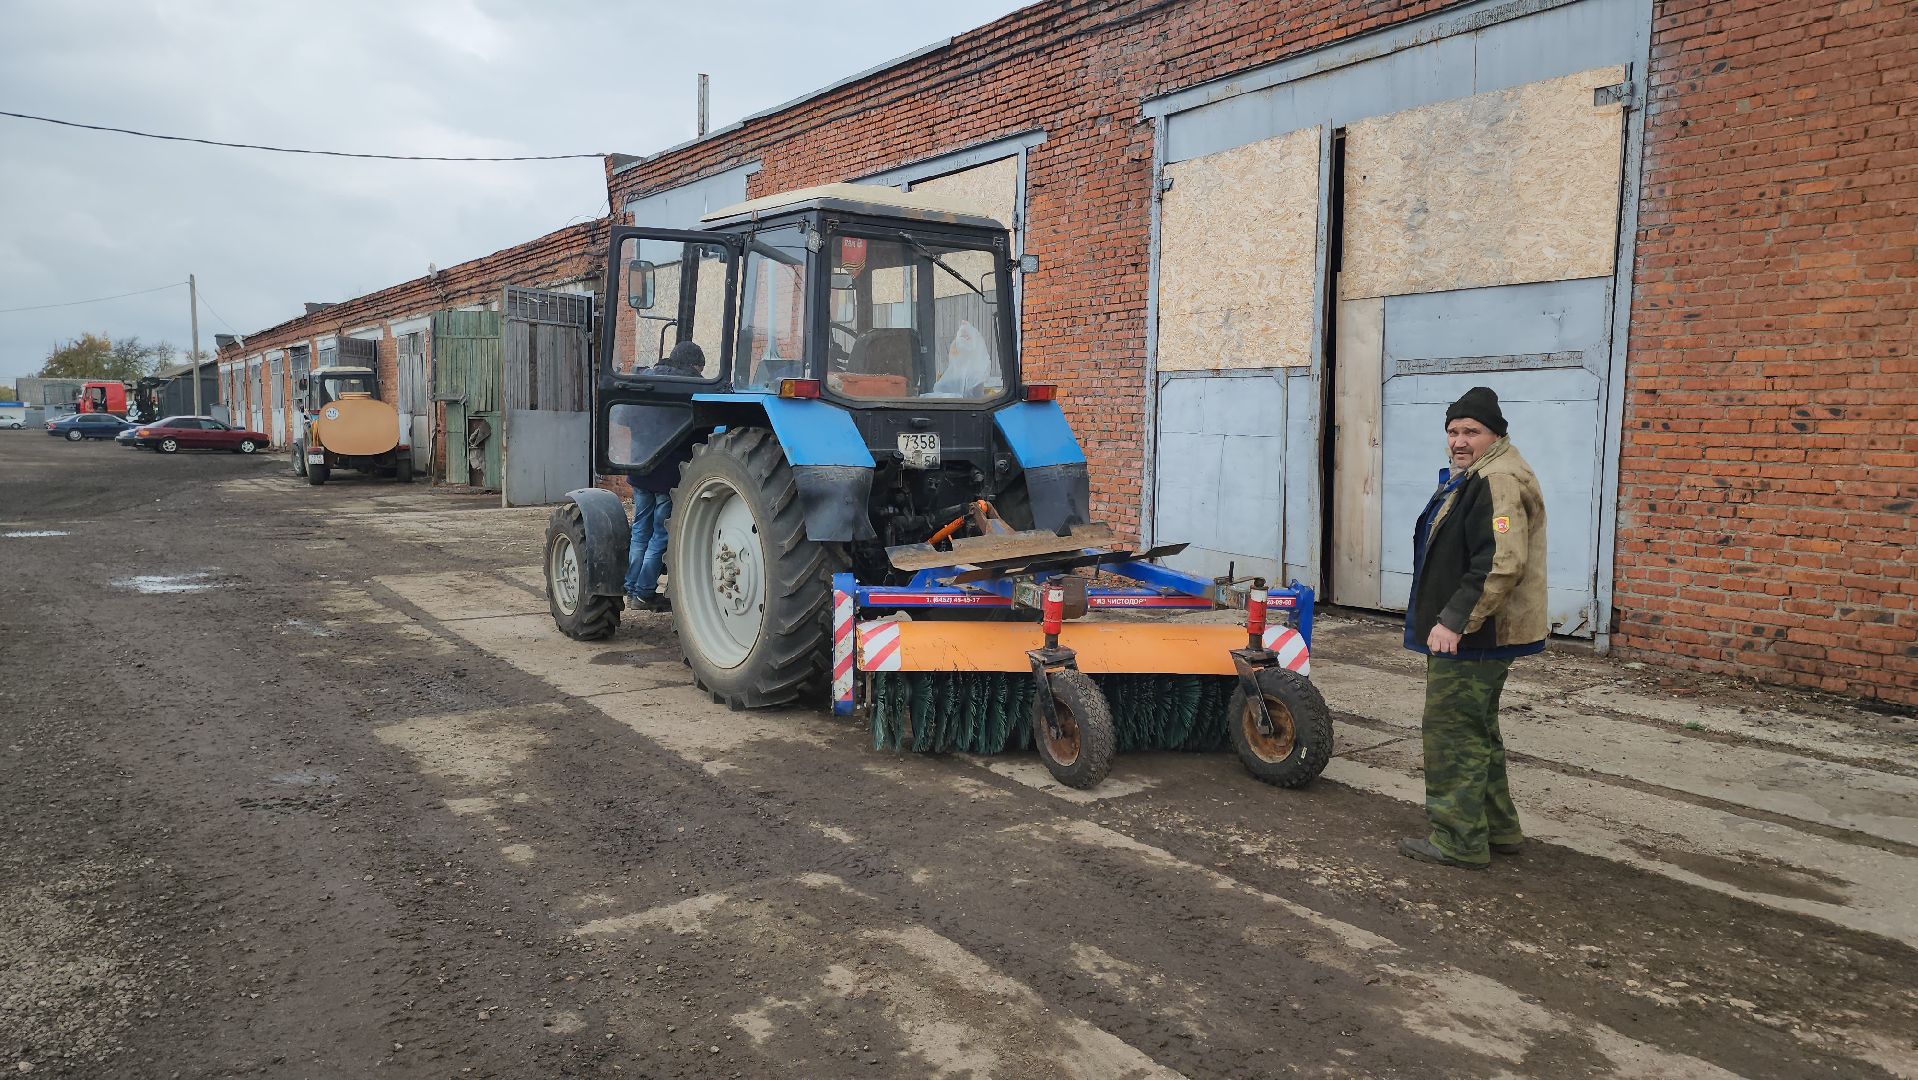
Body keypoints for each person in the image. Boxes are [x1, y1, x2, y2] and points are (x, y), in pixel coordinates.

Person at [1399, 386, 1548, 870]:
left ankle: (1459, 840)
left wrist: (1455, 620)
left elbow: (1501, 561)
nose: (1459, 441)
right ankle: (1498, 828)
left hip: (1474, 635)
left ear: (1495, 434)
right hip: (1478, 633)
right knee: (1478, 731)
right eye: (1453, 431)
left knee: (1452, 735)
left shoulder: (1496, 480)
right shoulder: (1480, 473)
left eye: (1472, 431)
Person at [623, 341, 704, 612]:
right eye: (700, 367)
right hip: (668, 476)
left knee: (639, 530)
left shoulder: (644, 378)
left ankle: (632, 589)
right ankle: (644, 591)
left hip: (639, 469)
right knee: (660, 535)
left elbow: (623, 416)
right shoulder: (690, 388)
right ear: (692, 364)